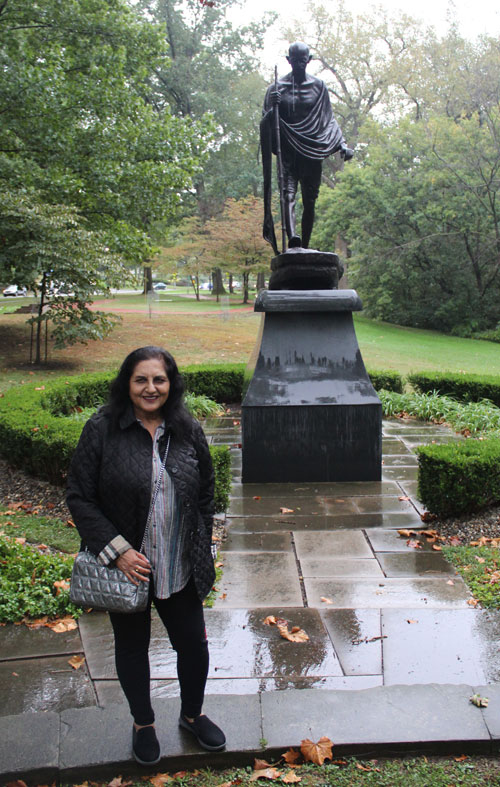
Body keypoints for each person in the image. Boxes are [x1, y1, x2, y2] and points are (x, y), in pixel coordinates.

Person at [66, 346, 226, 765]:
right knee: (132, 647)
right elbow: (80, 497)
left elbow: (207, 490)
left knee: (193, 645)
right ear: (127, 383)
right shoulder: (102, 428)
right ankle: (143, 723)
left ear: (171, 384)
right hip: (128, 568)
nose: (150, 388)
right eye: (141, 379)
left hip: (179, 563)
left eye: (159, 379)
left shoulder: (186, 429)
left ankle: (192, 714)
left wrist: (201, 543)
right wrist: (117, 552)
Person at [261, 41, 353, 251]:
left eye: (303, 60)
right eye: (295, 61)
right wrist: (271, 109)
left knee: (310, 201)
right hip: (288, 153)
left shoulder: (319, 86)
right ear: (288, 60)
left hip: (312, 152)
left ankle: (306, 246)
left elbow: (328, 119)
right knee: (288, 194)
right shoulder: (276, 89)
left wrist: (342, 144)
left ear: (309, 60)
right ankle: (293, 239)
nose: (299, 64)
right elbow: (265, 122)